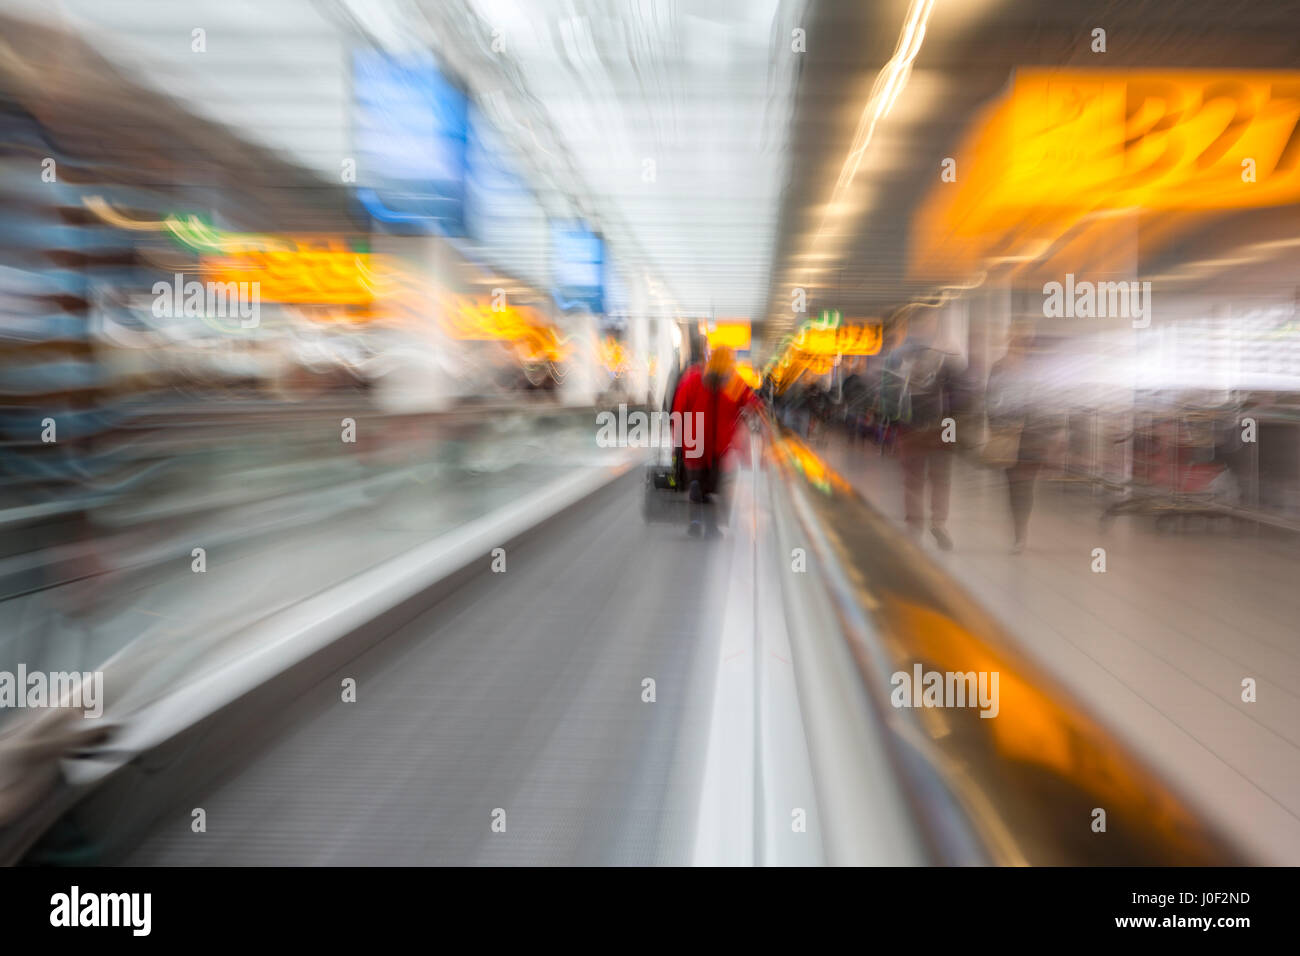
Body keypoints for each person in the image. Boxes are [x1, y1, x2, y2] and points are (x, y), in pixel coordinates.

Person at [881, 315, 964, 550]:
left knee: (912, 479)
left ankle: (914, 524)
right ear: (933, 326)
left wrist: (893, 423)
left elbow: (887, 394)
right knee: (940, 478)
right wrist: (954, 425)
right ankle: (938, 522)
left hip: (909, 427)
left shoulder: (896, 356)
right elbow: (958, 394)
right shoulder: (946, 355)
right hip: (942, 426)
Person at [671, 345, 760, 537]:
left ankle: (695, 522)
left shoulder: (694, 378)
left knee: (697, 482)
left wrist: (676, 439)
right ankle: (711, 527)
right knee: (713, 486)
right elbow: (753, 403)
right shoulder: (732, 383)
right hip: (718, 447)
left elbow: (679, 410)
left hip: (693, 443)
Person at [986, 332, 1060, 553]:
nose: (1022, 347)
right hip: (1008, 434)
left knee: (1024, 485)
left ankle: (1020, 534)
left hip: (1031, 435)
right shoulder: (999, 368)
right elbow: (990, 400)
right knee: (1014, 485)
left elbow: (1046, 402)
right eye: (1018, 342)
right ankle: (1018, 532)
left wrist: (1050, 434)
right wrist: (997, 425)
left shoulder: (1036, 371)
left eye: (1026, 344)